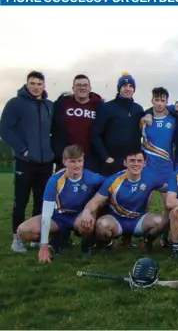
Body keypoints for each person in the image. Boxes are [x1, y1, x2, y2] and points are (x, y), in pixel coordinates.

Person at [15, 145, 105, 261]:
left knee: (87, 222)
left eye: (79, 161)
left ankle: (86, 244)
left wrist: (94, 208)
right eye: (72, 161)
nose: (77, 165)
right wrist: (44, 246)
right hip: (58, 217)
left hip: (79, 216)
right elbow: (46, 214)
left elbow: (109, 186)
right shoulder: (55, 180)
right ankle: (57, 237)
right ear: (64, 162)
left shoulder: (92, 177)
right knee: (24, 230)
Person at [0, 71, 55, 253]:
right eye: (33, 83)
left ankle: (36, 237)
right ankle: (17, 239)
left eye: (39, 84)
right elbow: (5, 129)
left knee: (41, 201)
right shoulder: (16, 104)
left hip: (45, 162)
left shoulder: (49, 105)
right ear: (27, 84)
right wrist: (23, 149)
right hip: (25, 161)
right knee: (21, 201)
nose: (36, 87)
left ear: (44, 86)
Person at [79, 149, 168, 252]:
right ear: (125, 162)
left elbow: (171, 188)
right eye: (132, 160)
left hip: (139, 220)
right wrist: (86, 211)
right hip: (117, 220)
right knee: (101, 225)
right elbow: (95, 201)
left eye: (139, 161)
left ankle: (148, 240)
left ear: (145, 163)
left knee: (165, 222)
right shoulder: (113, 181)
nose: (136, 164)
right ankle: (109, 245)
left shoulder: (151, 178)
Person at [91, 72, 144, 176]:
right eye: (124, 86)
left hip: (132, 163)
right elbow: (95, 134)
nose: (127, 89)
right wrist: (106, 157)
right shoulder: (107, 107)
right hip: (112, 162)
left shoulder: (138, 109)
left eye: (131, 86)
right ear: (119, 88)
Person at [51, 74, 104, 172]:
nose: (82, 88)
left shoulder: (99, 107)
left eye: (85, 85)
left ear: (90, 88)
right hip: (66, 158)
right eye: (79, 85)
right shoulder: (61, 104)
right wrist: (58, 154)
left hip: (90, 160)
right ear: (73, 88)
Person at [140, 87, 175, 222]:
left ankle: (164, 236)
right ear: (152, 101)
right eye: (157, 100)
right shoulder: (144, 120)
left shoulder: (173, 121)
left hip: (166, 169)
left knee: (168, 206)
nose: (159, 103)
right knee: (144, 204)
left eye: (162, 100)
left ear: (166, 102)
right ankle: (144, 236)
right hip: (148, 169)